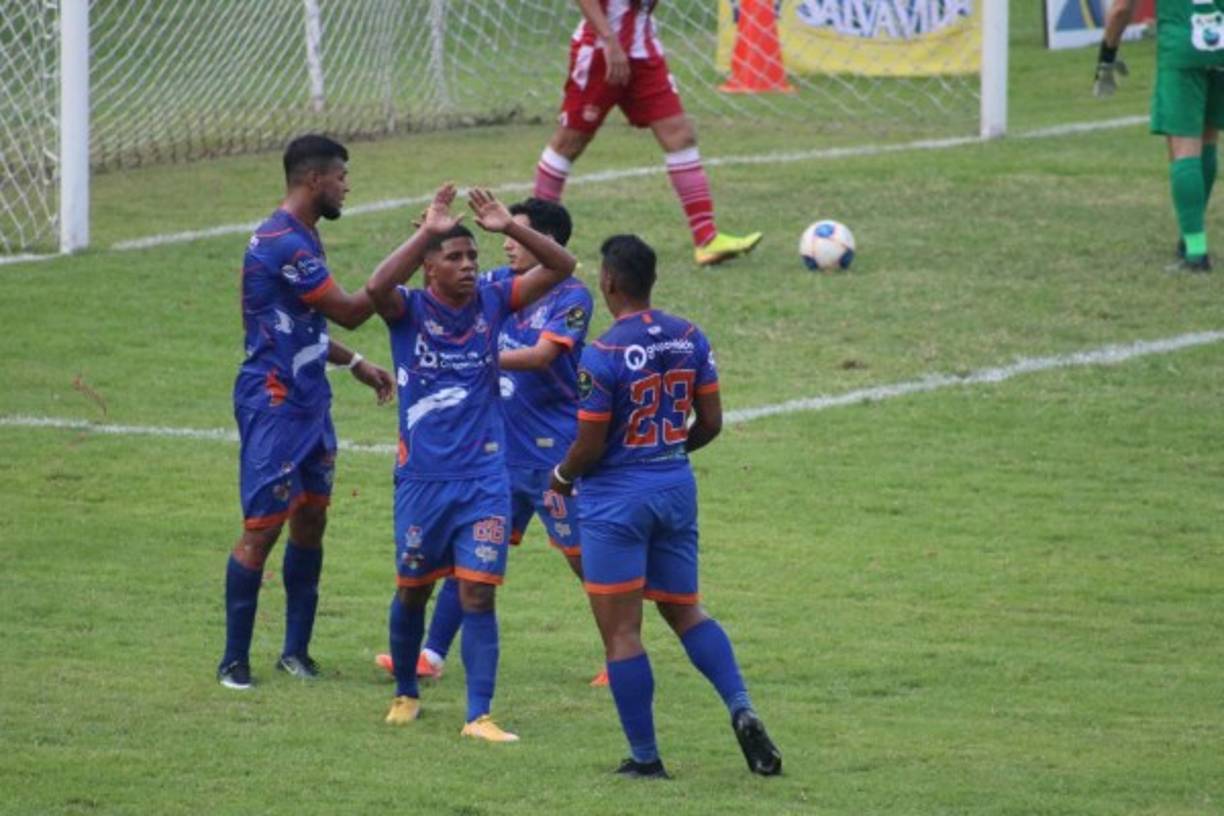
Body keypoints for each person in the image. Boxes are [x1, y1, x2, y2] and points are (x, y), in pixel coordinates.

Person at [549, 234, 782, 778]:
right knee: (684, 610)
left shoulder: (602, 354)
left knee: (622, 632)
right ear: (650, 280)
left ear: (608, 282)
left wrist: (561, 478)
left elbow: (589, 443)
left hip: (615, 500)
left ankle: (647, 759)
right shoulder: (689, 336)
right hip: (675, 486)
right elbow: (713, 422)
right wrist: (669, 451)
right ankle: (741, 707)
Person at [366, 184, 577, 742]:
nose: (467, 266)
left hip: (486, 477)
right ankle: (407, 692)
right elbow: (373, 287)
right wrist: (424, 233)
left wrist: (509, 226)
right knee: (413, 589)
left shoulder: (491, 298)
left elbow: (563, 264)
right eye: (453, 257)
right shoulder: (407, 309)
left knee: (478, 591)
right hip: (422, 479)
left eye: (471, 257)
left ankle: (478, 715)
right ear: (429, 266)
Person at [218, 134, 395, 690]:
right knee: (262, 529)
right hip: (274, 403)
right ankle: (233, 661)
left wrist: (355, 363)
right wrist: (417, 247)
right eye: (342, 176)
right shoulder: (283, 243)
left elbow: (304, 321)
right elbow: (346, 311)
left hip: (311, 401)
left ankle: (295, 652)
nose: (347, 185)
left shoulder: (305, 235)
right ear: (314, 180)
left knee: (312, 518)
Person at [533, 0, 762, 266]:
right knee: (569, 143)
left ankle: (706, 239)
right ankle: (540, 244)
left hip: (644, 52)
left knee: (680, 135)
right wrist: (609, 40)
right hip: (600, 52)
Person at [1094, 0, 1224, 271]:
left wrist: (1107, 54)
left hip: (1183, 50)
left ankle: (1196, 254)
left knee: (1185, 147)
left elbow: (1121, 9)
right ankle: (1190, 238)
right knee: (1208, 141)